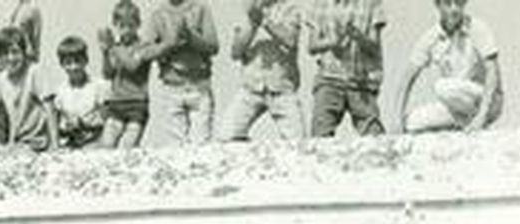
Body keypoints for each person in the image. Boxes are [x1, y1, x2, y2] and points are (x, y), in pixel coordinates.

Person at [398, 0, 502, 133]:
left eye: (458, 3)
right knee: (411, 122)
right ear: (438, 5)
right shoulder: (431, 37)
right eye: (448, 3)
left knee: (443, 87)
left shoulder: (477, 28)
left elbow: (493, 72)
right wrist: (395, 120)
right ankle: (462, 124)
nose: (454, 9)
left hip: (486, 99)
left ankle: (475, 121)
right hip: (456, 103)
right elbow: (407, 79)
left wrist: (481, 117)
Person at [0, 26, 59, 154]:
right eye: (5, 54)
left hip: (36, 143)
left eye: (15, 52)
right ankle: (6, 151)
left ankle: (7, 152)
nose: (10, 58)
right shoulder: (3, 79)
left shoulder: (34, 72)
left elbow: (49, 108)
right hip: (15, 143)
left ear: (24, 53)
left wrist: (55, 145)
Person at [221, 0, 304, 141]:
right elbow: (235, 52)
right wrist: (253, 25)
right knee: (226, 135)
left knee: (298, 143)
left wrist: (266, 23)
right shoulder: (246, 10)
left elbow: (291, 41)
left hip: (282, 88)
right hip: (251, 88)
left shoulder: (290, 8)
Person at [305, 0, 386, 137]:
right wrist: (332, 42)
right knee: (319, 136)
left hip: (361, 80)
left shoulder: (371, 3)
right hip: (329, 78)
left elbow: (375, 47)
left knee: (374, 136)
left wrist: (358, 37)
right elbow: (312, 46)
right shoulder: (320, 4)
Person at [148, 0, 219, 145]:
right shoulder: (158, 15)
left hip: (199, 86)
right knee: (175, 147)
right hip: (171, 87)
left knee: (201, 145)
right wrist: (169, 44)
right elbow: (146, 52)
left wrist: (191, 37)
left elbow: (213, 46)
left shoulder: (201, 9)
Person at [99, 0, 154, 148]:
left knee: (127, 147)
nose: (127, 30)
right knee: (107, 144)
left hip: (137, 103)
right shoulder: (115, 48)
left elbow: (132, 66)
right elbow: (107, 74)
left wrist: (112, 48)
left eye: (131, 25)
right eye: (122, 26)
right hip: (116, 102)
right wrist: (105, 53)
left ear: (138, 25)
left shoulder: (144, 46)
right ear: (115, 25)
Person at [50, 36, 116, 149]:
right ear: (62, 65)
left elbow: (108, 120)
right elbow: (57, 123)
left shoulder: (98, 87)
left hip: (96, 142)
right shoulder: (60, 92)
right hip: (71, 143)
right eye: (68, 63)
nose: (74, 67)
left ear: (85, 60)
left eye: (77, 61)